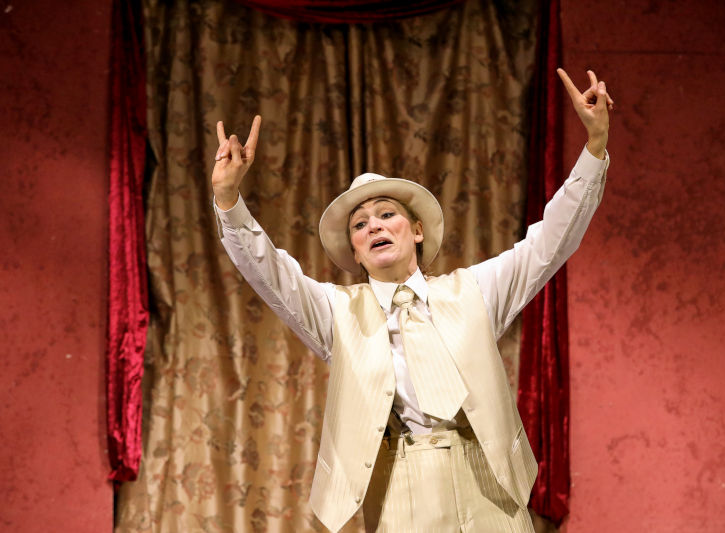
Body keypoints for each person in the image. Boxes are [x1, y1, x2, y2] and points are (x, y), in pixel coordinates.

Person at [211, 69, 612, 533]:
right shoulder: (338, 312)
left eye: (387, 214)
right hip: (401, 486)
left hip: (489, 482)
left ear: (417, 230)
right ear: (355, 251)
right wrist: (228, 198)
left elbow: (549, 243)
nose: (374, 226)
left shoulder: (474, 290)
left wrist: (595, 146)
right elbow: (273, 276)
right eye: (360, 225)